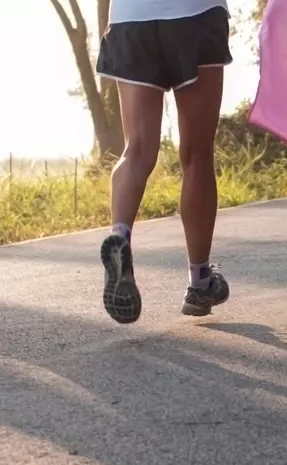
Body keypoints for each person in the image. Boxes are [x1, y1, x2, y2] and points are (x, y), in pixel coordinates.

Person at [95, 0, 231, 323]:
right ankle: (200, 281)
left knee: (136, 150)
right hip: (194, 13)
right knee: (197, 154)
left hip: (131, 17)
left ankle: (120, 237)